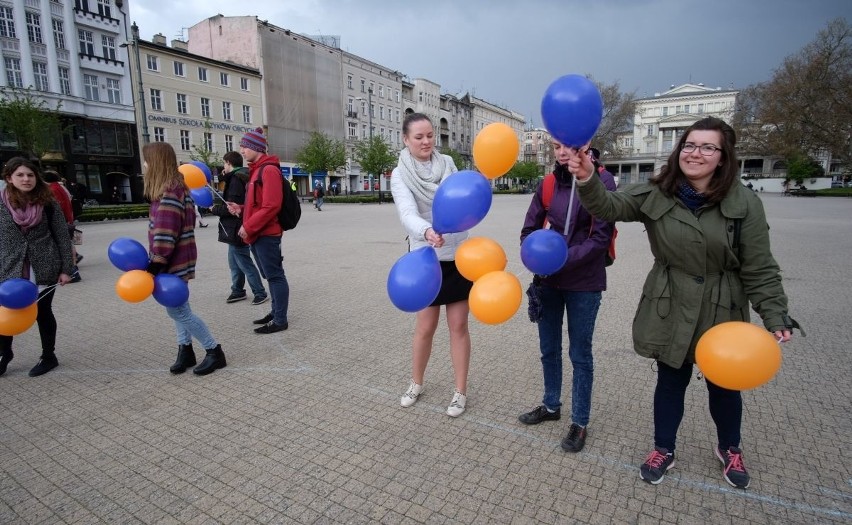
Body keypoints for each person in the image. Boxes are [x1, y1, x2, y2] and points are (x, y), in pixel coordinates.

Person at [568, 117, 799, 488]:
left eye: (708, 147)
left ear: (723, 157)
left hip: (722, 305)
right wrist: (585, 177)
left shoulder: (744, 202)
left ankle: (730, 448)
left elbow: (759, 265)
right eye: (690, 145)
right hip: (670, 300)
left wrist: (774, 313)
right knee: (671, 378)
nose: (696, 153)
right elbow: (609, 206)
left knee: (725, 384)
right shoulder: (657, 191)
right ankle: (664, 449)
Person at [517, 140, 616, 452]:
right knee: (549, 349)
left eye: (569, 145)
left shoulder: (603, 180)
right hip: (547, 281)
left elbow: (600, 238)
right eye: (556, 145)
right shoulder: (547, 184)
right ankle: (550, 405)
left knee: (580, 354)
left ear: (585, 144)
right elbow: (528, 230)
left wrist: (562, 258)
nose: (561, 151)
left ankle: (580, 422)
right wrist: (535, 253)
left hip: (583, 282)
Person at [390, 112, 472, 417]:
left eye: (429, 136)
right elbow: (407, 213)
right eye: (419, 137)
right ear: (406, 139)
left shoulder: (448, 164)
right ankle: (416, 382)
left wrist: (448, 227)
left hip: (458, 256)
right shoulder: (399, 174)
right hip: (425, 259)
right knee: (425, 327)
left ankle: (460, 392)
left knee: (459, 326)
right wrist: (426, 231)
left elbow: (459, 203)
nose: (426, 142)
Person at [142, 142, 226, 375]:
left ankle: (214, 350)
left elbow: (165, 233)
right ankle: (185, 350)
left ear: (156, 162)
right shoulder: (177, 187)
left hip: (171, 260)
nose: (145, 165)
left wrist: (155, 264)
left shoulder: (169, 191)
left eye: (147, 160)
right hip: (178, 258)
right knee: (177, 304)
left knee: (178, 311)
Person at [0, 157, 75, 377]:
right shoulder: (1, 204)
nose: (26, 179)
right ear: (9, 178)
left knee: (43, 312)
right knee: (6, 310)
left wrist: (66, 269)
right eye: (20, 175)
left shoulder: (48, 203)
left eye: (30, 175)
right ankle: (5, 353)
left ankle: (48, 355)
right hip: (8, 267)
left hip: (44, 266)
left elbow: (62, 236)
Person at [237, 127, 290, 334]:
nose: (241, 150)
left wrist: (248, 226)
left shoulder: (268, 170)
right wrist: (240, 209)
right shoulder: (257, 169)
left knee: (275, 276)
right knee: (271, 276)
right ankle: (275, 312)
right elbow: (259, 204)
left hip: (266, 234)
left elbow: (271, 206)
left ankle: (280, 319)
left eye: (244, 146)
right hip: (258, 233)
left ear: (255, 147)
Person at [210, 151, 268, 305]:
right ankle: (238, 290)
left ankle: (260, 292)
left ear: (228, 162)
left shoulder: (235, 181)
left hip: (237, 228)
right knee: (234, 262)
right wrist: (223, 177)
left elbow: (232, 208)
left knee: (243, 262)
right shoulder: (240, 176)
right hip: (235, 228)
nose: (223, 166)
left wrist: (213, 209)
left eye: (224, 163)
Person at [42, 171, 82, 283]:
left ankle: (73, 271)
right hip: (67, 219)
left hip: (62, 221)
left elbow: (59, 207)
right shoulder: (61, 188)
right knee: (70, 243)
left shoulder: (53, 190)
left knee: (68, 244)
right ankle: (74, 266)